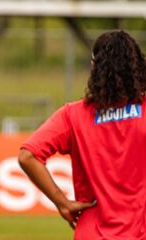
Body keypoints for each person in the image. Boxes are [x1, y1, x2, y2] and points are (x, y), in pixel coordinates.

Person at [18, 30, 146, 239]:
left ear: (95, 67)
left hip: (92, 233)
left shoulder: (73, 115)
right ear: (137, 66)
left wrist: (62, 202)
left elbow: (27, 155)